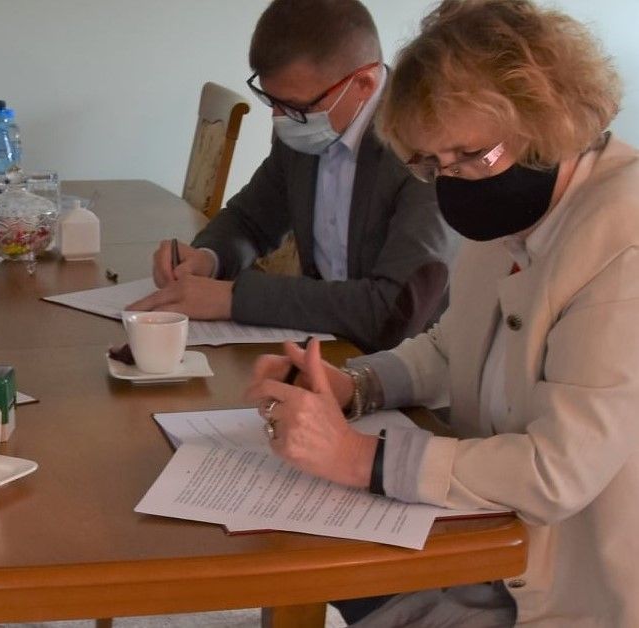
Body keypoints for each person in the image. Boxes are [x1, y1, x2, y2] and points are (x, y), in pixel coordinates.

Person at [245, 0, 633, 624]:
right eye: (431, 164)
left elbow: (555, 472)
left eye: (469, 156)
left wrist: (359, 458)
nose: (453, 182)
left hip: (576, 590)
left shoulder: (621, 245)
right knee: (321, 562)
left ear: (545, 118)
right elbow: (452, 345)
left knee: (340, 572)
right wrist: (355, 385)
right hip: (492, 547)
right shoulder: (515, 209)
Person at [129, 0, 458, 353]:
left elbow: (392, 309)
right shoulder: (306, 128)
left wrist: (234, 298)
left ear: (363, 84)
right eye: (271, 100)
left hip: (405, 363)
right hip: (322, 347)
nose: (279, 118)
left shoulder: (425, 146)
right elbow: (251, 220)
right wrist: (208, 258)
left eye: (297, 107)